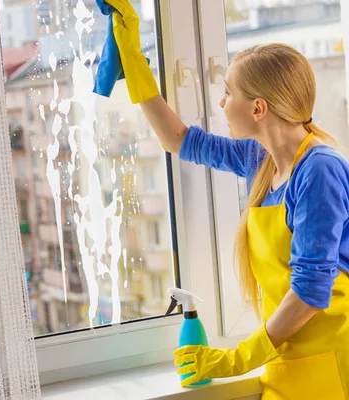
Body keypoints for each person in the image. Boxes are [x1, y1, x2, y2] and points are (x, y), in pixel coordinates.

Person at [104, 0, 349, 398]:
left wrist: (234, 359)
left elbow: (310, 293)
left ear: (258, 108)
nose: (221, 104)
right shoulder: (261, 159)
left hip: (333, 365)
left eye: (227, 92)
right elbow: (179, 140)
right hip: (288, 360)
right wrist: (134, 60)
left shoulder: (319, 168)